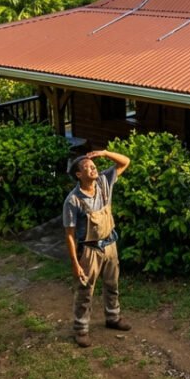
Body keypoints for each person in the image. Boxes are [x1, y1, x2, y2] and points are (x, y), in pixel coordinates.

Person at [62, 148, 131, 348]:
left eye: (94, 166)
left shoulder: (103, 182)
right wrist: (76, 263)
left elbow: (125, 161)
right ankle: (81, 329)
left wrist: (104, 153)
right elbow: (69, 235)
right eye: (87, 167)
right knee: (85, 290)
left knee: (112, 285)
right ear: (78, 175)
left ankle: (113, 317)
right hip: (89, 250)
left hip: (110, 244)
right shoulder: (73, 200)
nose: (93, 169)